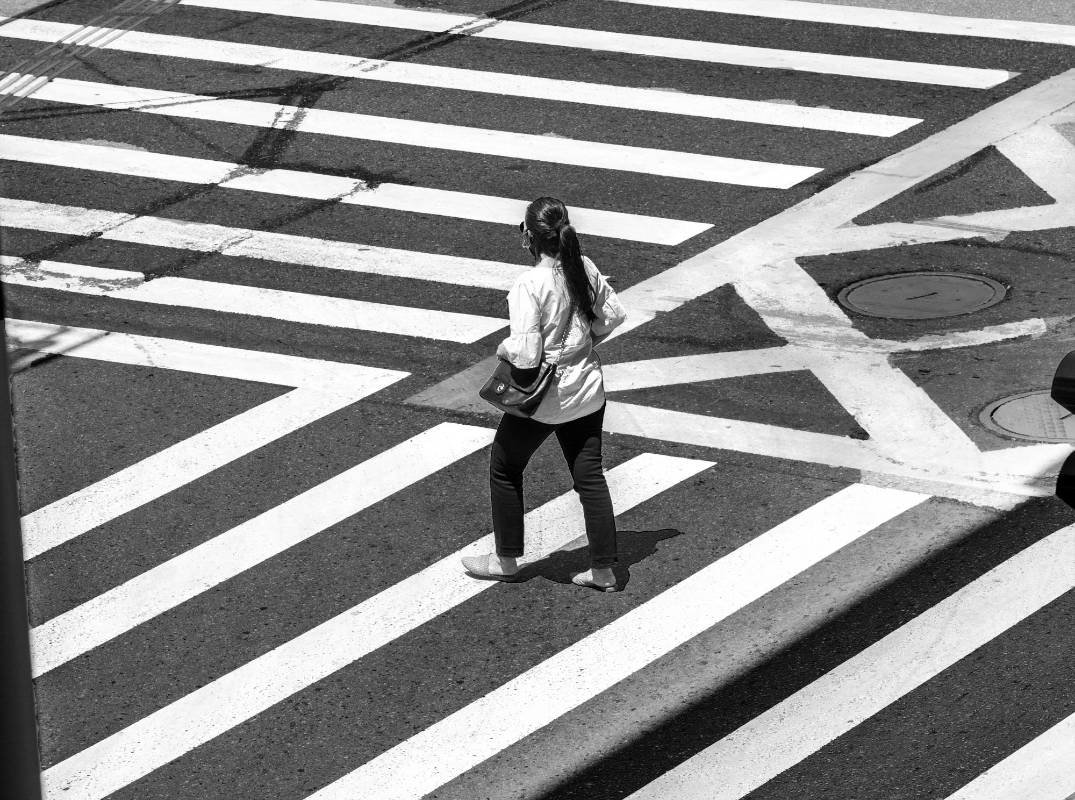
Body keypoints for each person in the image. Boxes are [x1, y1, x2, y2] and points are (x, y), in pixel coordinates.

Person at [462, 197, 628, 591]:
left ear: (527, 238)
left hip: (542, 399)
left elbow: (525, 354)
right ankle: (603, 571)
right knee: (590, 478)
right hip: (587, 390)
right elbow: (614, 315)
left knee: (505, 467)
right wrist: (584, 345)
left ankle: (505, 560)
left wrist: (502, 350)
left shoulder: (529, 284)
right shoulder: (583, 267)